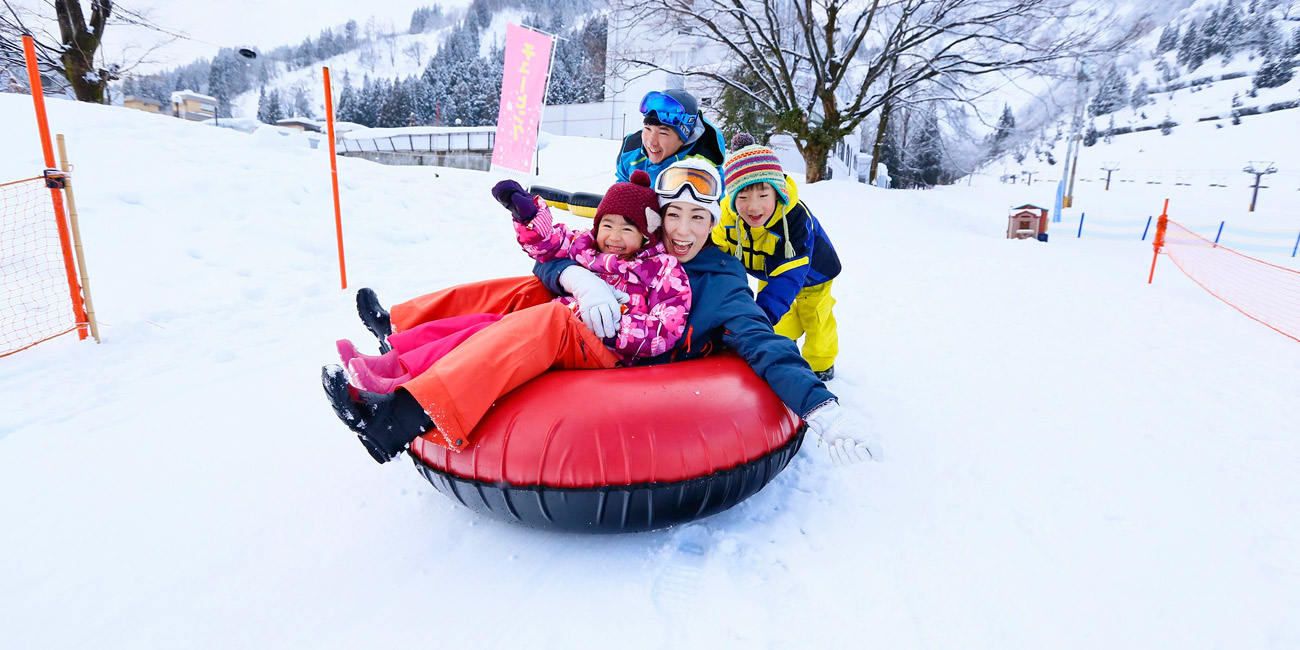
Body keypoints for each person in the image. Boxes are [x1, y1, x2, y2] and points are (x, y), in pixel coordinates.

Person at [322, 172, 692, 462]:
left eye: (628, 229)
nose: (614, 236)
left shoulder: (662, 270)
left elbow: (665, 329)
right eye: (608, 225)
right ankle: (396, 360)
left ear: (646, 236)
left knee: (548, 319)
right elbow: (554, 244)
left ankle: (398, 418)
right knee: (494, 322)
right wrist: (530, 216)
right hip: (572, 324)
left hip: (605, 348)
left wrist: (612, 324)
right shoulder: (590, 247)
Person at [711, 133, 842, 381]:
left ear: (778, 194)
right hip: (769, 268)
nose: (753, 207)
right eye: (743, 196)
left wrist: (758, 321)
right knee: (775, 317)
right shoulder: (728, 216)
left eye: (763, 196)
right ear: (732, 197)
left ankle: (821, 362)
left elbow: (787, 280)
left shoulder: (794, 220)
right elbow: (716, 253)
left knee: (814, 316)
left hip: (812, 273)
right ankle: (784, 339)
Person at [615, 89, 726, 186]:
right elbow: (619, 193)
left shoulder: (702, 168)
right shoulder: (631, 152)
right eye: (648, 129)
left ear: (684, 139)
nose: (651, 141)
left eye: (663, 133)